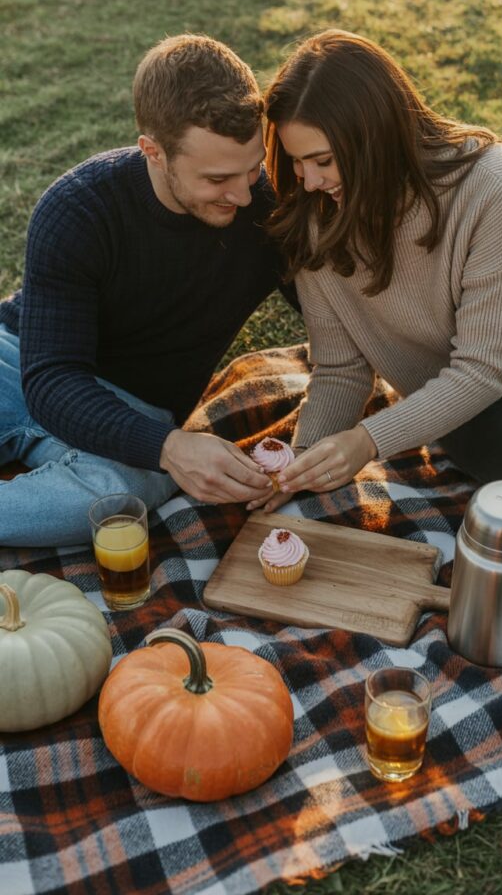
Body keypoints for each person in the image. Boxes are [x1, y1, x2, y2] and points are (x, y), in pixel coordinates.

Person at [250, 28, 502, 513]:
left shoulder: (491, 182)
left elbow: (486, 364)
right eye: (298, 163)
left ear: (374, 139)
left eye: (322, 161)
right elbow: (340, 369)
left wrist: (366, 440)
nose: (309, 181)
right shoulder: (317, 220)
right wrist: (298, 466)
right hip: (470, 410)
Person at [0, 33, 295, 546]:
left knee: (119, 499)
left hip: (139, 415)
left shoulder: (271, 211)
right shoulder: (77, 210)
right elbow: (49, 378)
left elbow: (341, 314)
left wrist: (166, 447)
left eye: (253, 168)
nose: (244, 194)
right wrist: (170, 447)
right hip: (18, 360)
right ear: (154, 152)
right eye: (218, 178)